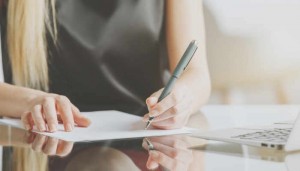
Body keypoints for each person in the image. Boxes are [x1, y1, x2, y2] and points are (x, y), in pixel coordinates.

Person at [0, 0, 210, 132]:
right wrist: (31, 100)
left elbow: (196, 74)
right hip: (48, 136)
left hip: (145, 137)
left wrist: (182, 98)